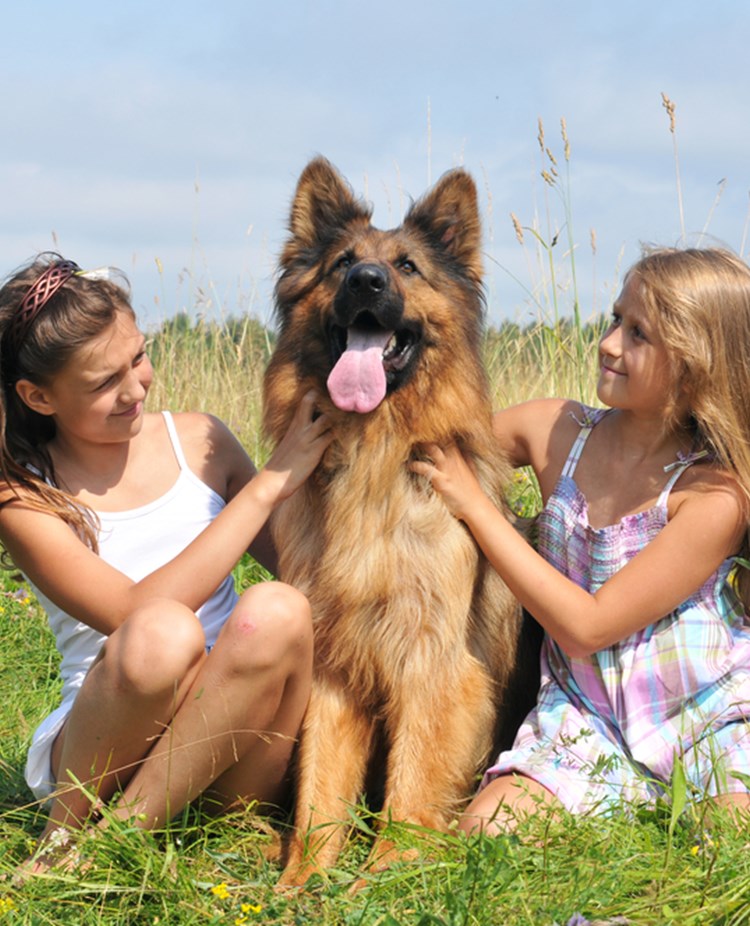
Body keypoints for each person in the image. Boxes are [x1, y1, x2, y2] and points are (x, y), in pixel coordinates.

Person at [0, 254, 332, 869]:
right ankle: (67, 836)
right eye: (103, 383)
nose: (134, 389)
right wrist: (265, 487)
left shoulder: (200, 440)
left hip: (230, 746)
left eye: (139, 357)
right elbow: (130, 612)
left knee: (281, 608)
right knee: (163, 630)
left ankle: (109, 845)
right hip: (104, 759)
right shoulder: (24, 495)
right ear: (38, 396)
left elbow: (304, 569)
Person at [411, 246, 750, 833]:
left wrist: (475, 506)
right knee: (487, 830)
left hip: (702, 715)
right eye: (616, 318)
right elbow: (435, 443)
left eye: (639, 334)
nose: (609, 344)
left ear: (696, 364)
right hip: (582, 714)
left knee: (731, 835)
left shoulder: (715, 494)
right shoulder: (555, 430)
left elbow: (587, 627)